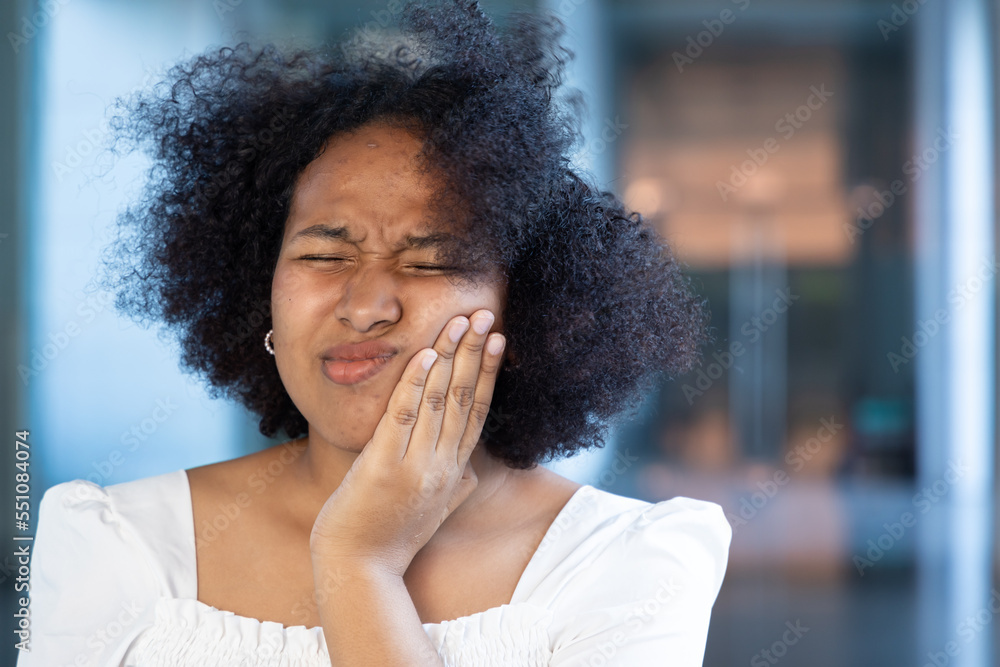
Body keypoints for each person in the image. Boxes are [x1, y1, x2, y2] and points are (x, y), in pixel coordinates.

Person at [20, 1, 731, 665]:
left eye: (433, 260)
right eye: (323, 255)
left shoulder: (628, 561)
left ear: (532, 305)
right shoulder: (115, 543)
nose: (364, 305)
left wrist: (357, 563)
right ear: (258, 289)